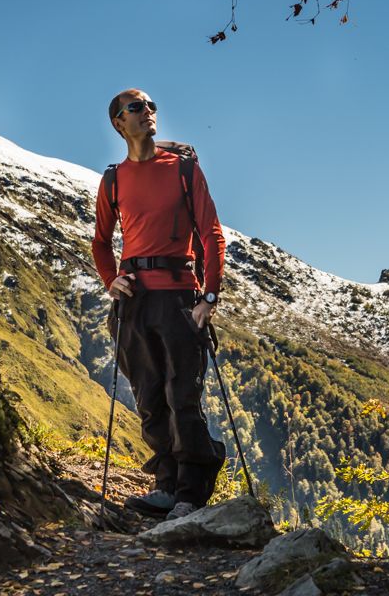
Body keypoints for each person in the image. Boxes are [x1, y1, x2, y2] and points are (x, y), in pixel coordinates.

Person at [91, 88, 227, 520]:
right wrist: (112, 281)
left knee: (181, 393)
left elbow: (211, 234)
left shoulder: (184, 170)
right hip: (134, 304)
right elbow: (99, 242)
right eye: (136, 107)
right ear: (118, 122)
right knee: (150, 396)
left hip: (180, 296)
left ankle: (191, 489)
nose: (147, 111)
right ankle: (167, 485)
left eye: (150, 106)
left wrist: (208, 295)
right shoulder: (113, 180)